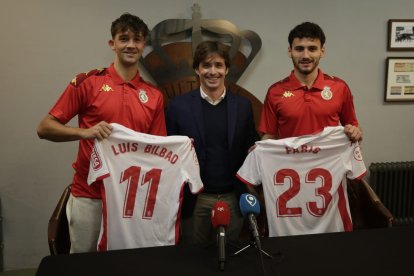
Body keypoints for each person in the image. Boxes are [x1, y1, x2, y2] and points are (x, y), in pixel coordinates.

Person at [37, 13, 166, 253]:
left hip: (130, 198)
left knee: (125, 264)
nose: (130, 45)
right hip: (90, 194)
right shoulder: (88, 82)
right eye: (124, 38)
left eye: (137, 40)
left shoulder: (154, 96)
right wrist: (85, 132)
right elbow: (44, 128)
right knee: (83, 264)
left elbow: (155, 149)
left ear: (144, 45)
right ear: (112, 44)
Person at [166, 41, 259, 244]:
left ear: (226, 69)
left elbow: (251, 146)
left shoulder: (243, 106)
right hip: (195, 199)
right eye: (206, 65)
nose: (212, 71)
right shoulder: (177, 106)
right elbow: (168, 157)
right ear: (197, 70)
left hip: (233, 197)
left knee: (231, 256)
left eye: (218, 65)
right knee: (192, 258)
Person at [259, 22, 362, 142]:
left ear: (322, 51)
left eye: (312, 49)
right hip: (290, 161)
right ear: (290, 51)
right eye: (299, 49)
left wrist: (356, 133)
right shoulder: (275, 91)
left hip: (329, 161)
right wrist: (260, 150)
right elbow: (269, 137)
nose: (305, 55)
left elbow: (354, 128)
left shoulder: (340, 87)